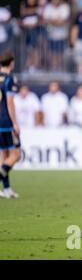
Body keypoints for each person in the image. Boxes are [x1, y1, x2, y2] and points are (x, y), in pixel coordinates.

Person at [0, 52, 21, 199]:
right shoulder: (10, 79)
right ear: (11, 62)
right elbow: (10, 102)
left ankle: (6, 189)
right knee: (16, 154)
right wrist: (15, 123)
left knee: (5, 155)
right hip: (6, 122)